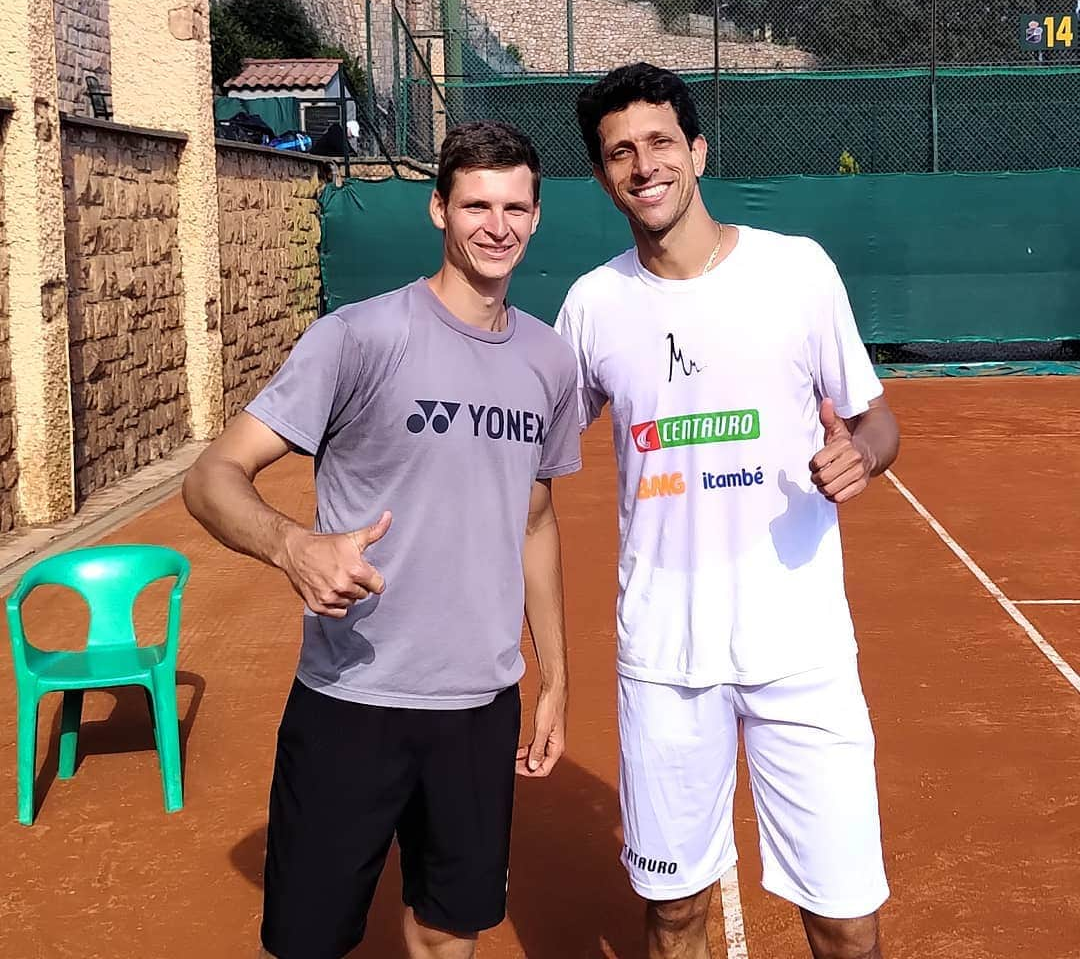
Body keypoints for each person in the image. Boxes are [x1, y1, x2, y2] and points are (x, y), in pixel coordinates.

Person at [183, 120, 581, 959]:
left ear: (538, 216)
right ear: (439, 208)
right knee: (308, 941)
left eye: (515, 206)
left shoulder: (549, 362)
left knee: (448, 932)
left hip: (479, 705)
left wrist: (554, 679)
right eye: (476, 203)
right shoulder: (358, 337)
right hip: (351, 701)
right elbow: (211, 477)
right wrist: (294, 547)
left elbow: (537, 521)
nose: (496, 225)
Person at [554, 63, 900, 959]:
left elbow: (876, 417)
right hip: (665, 659)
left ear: (698, 152)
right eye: (619, 152)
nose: (644, 165)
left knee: (846, 919)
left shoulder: (797, 270)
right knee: (674, 915)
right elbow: (530, 443)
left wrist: (860, 453)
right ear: (602, 177)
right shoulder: (592, 305)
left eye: (661, 142)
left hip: (803, 652)